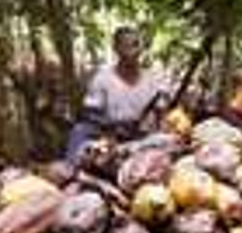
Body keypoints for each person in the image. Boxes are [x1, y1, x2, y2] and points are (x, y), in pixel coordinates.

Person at [65, 26, 168, 163]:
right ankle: (71, 169)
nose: (132, 51)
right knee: (79, 131)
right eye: (125, 46)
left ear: (141, 48)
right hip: (109, 134)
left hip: (143, 136)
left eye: (135, 44)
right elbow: (90, 114)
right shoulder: (102, 79)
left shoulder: (153, 80)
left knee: (168, 140)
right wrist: (110, 129)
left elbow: (162, 113)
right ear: (116, 49)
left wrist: (157, 122)